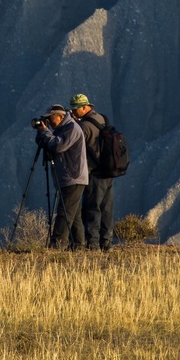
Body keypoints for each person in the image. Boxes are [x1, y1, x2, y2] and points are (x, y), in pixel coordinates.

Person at [34, 104, 88, 249]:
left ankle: (56, 245)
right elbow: (46, 144)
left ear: (61, 116)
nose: (50, 123)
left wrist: (45, 132)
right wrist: (42, 133)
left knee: (64, 213)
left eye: (51, 119)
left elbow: (58, 146)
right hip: (68, 177)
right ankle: (78, 246)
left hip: (73, 177)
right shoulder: (61, 130)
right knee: (74, 214)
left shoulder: (71, 128)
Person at [70, 93, 114, 251]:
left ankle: (93, 244)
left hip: (94, 173)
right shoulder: (101, 119)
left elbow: (75, 148)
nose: (73, 113)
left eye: (75, 109)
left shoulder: (83, 127)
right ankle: (106, 243)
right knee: (106, 208)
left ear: (84, 107)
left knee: (91, 208)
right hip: (108, 171)